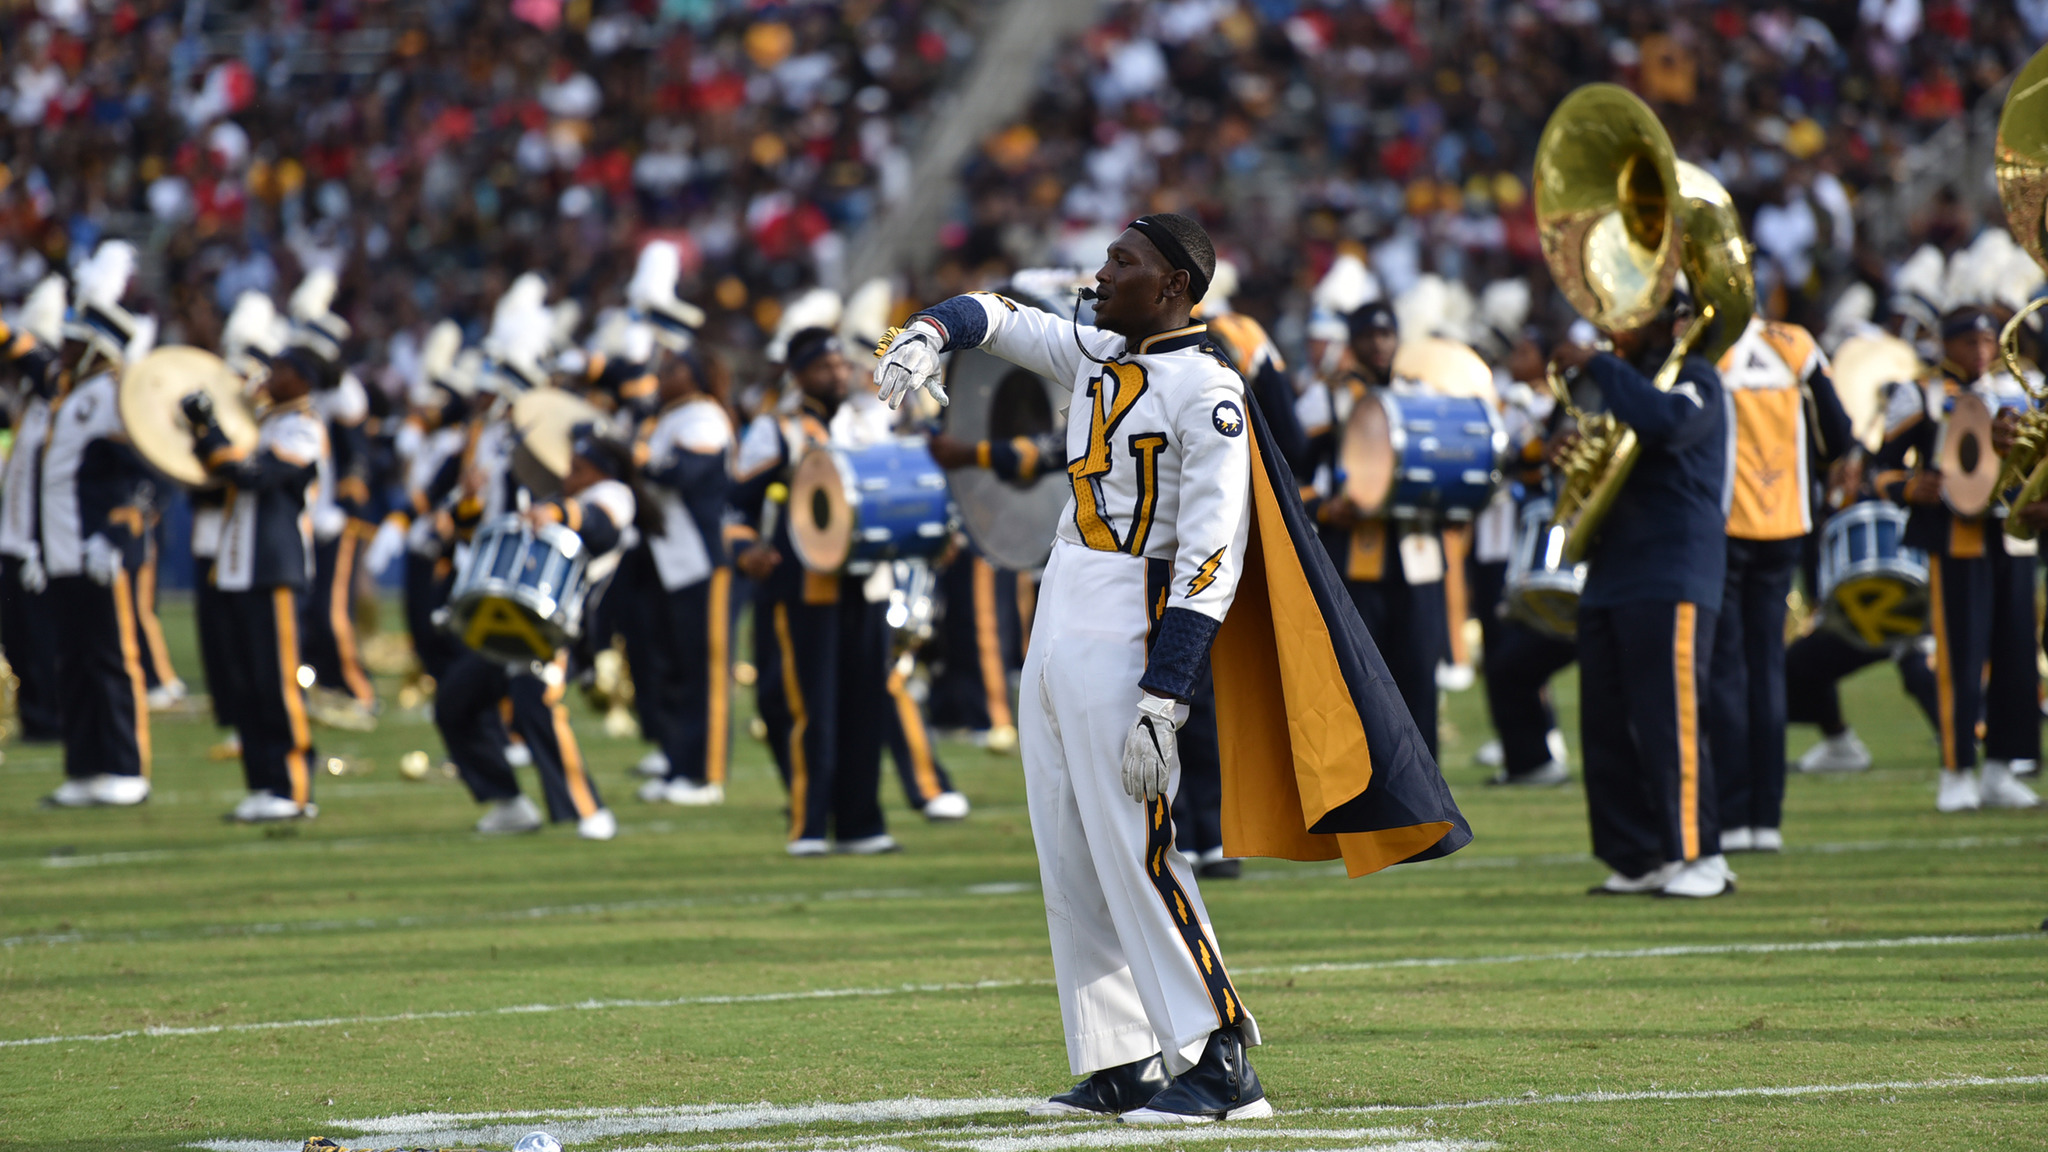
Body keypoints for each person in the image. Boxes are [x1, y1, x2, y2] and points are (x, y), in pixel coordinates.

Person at [875, 215, 1271, 1122]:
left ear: (1173, 286)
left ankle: (1222, 1059)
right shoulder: (1098, 352)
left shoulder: (1207, 391)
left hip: (1132, 612)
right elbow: (1002, 317)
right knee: (1068, 845)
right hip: (1063, 597)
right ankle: (1121, 1057)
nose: (1099, 276)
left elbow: (1214, 557)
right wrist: (929, 331)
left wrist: (1165, 695)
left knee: (1138, 848)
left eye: (1122, 263)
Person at [1552, 288, 1733, 899]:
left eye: (1633, 318)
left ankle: (1700, 854)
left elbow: (1669, 423)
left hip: (1674, 570)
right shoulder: (1623, 384)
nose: (1618, 330)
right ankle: (1637, 855)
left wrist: (1598, 364)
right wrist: (1570, 456)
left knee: (1670, 721)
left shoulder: (1698, 378)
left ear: (1675, 322)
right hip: (1613, 572)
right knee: (1606, 725)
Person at [731, 328, 907, 855]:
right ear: (799, 373)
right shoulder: (776, 431)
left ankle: (861, 823)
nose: (836, 373)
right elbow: (736, 504)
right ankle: (808, 824)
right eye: (823, 366)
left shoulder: (866, 422)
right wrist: (746, 551)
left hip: (867, 581)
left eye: (840, 364)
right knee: (809, 707)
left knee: (866, 704)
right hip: (802, 587)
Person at [1871, 306, 2041, 811]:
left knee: (2017, 657)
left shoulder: (2019, 387)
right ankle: (1956, 766)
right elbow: (1879, 467)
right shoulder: (1920, 392)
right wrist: (1908, 487)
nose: (1982, 351)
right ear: (1947, 344)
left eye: (1988, 342)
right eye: (1970, 342)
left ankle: (2002, 766)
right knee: (1961, 656)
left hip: (2014, 533)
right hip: (1957, 535)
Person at [432, 423, 629, 840]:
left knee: (535, 703)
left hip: (560, 630)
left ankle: (589, 809)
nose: (568, 474)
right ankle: (507, 803)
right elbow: (487, 545)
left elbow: (599, 526)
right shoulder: (555, 498)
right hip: (513, 617)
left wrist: (555, 511)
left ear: (600, 470)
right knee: (455, 700)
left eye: (578, 467)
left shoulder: (613, 494)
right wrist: (469, 503)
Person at [1708, 315, 1853, 851]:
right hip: (1787, 521)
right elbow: (1838, 433)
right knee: (1766, 668)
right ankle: (1766, 818)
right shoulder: (1796, 343)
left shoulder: (1707, 346)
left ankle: (1732, 814)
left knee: (1726, 672)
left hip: (1723, 525)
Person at [38, 242, 156, 808]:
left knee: (112, 657)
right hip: (62, 548)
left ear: (95, 348)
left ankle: (126, 767)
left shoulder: (115, 394)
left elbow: (145, 472)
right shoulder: (72, 395)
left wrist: (114, 535)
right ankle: (85, 767)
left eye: (74, 342)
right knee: (74, 659)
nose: (63, 349)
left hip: (97, 546)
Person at [1304, 301, 1448, 759]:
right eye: (1369, 335)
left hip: (1418, 557)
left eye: (1387, 335)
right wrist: (1324, 510)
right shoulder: (1326, 395)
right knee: (1362, 678)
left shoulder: (1420, 394)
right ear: (1353, 341)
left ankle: (1430, 791)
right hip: (1354, 557)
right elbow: (1286, 468)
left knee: (1419, 676)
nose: (1380, 344)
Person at [187, 346, 323, 821]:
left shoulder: (303, 427)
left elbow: (253, 476)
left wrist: (211, 433)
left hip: (273, 568)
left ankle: (292, 787)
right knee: (244, 682)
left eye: (284, 368)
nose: (272, 375)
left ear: (304, 379)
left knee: (276, 682)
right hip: (238, 565)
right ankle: (263, 783)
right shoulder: (261, 423)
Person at [629, 328, 735, 806]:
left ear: (694, 376)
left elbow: (688, 475)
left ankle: (705, 776)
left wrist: (642, 466)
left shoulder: (704, 415)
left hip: (700, 558)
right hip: (668, 557)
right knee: (672, 669)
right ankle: (678, 766)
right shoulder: (667, 417)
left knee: (703, 671)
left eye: (672, 368)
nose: (662, 373)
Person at [0, 274, 68, 744]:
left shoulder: (55, 386)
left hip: (38, 539)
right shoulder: (27, 402)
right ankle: (35, 716)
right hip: (13, 533)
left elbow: (31, 355)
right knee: (18, 636)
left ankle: (52, 716)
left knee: (43, 636)